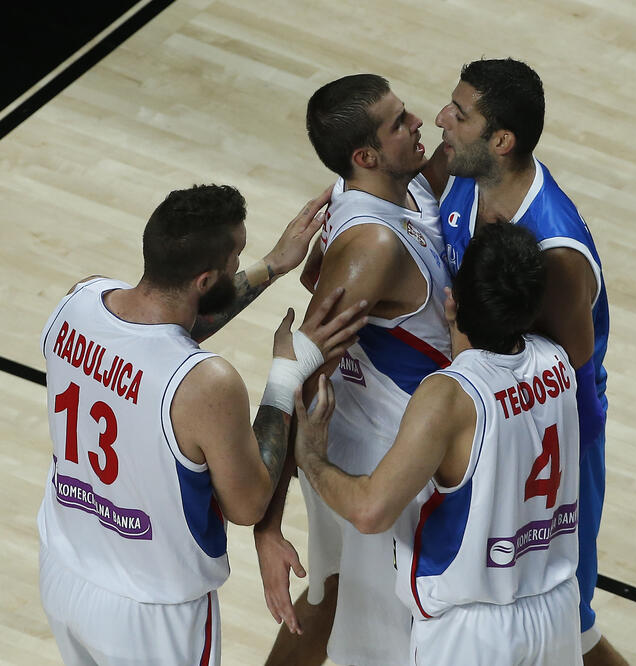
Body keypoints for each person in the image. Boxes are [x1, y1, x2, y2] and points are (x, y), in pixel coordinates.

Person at [37, 183, 368, 665]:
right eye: (237, 257)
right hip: (152, 610)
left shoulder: (79, 301)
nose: (240, 264)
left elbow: (160, 333)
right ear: (205, 279)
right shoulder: (205, 383)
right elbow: (249, 502)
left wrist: (273, 265)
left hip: (64, 570)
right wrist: (285, 373)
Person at [296, 222, 595, 665]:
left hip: (474, 633)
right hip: (555, 615)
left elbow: (370, 510)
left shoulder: (451, 397)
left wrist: (312, 459)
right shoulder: (558, 365)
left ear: (450, 301)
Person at [425, 58, 627, 665]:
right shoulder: (465, 173)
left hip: (552, 428)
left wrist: (563, 478)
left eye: (459, 115)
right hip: (488, 410)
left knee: (571, 617)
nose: (442, 120)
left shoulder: (555, 248)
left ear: (502, 141)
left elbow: (576, 379)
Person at [254, 74, 452, 666]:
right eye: (399, 122)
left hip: (365, 430)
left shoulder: (394, 189)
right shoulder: (373, 246)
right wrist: (268, 524)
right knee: (399, 637)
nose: (418, 122)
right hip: (380, 459)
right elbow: (301, 376)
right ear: (365, 156)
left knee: (329, 597)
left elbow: (319, 277)